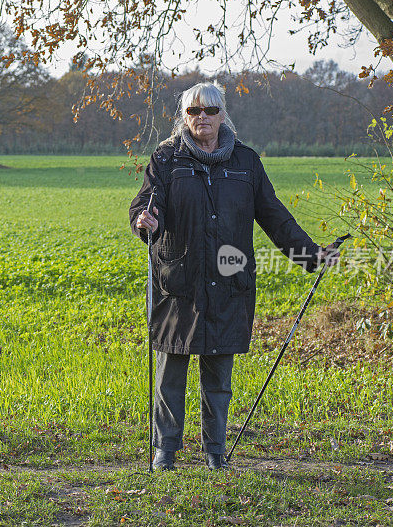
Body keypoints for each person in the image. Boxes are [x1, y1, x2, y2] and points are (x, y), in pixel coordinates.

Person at [128, 81, 338, 471]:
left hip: (229, 283)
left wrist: (311, 256)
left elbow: (275, 216)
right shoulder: (166, 160)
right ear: (184, 117)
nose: (202, 117)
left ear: (223, 114)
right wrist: (145, 221)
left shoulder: (246, 162)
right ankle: (165, 451)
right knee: (170, 374)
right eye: (194, 111)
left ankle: (215, 452)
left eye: (210, 110)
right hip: (179, 284)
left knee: (219, 377)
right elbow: (145, 205)